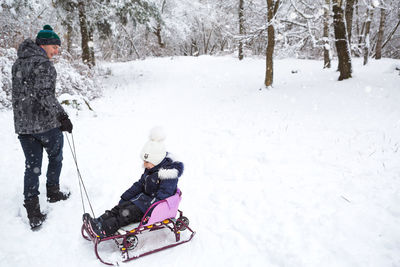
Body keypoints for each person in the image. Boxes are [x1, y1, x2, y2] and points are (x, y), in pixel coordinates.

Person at [12, 25, 73, 230]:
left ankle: (33, 211)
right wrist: (62, 117)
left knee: (32, 166)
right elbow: (45, 94)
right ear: (44, 45)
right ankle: (53, 192)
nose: (56, 51)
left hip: (24, 127)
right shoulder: (44, 65)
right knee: (56, 157)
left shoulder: (18, 64)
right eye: (55, 47)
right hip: (45, 125)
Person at [83, 127, 184, 238]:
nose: (144, 165)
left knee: (125, 214)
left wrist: (149, 212)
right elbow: (140, 184)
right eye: (144, 161)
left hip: (148, 209)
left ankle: (104, 230)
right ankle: (98, 222)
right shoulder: (152, 168)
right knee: (119, 208)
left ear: (157, 160)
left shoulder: (168, 175)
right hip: (140, 200)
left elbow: (162, 198)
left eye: (147, 162)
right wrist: (126, 197)